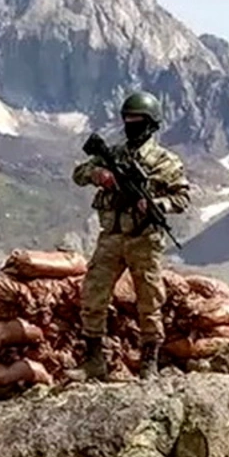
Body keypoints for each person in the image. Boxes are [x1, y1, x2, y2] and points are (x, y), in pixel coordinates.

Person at [70, 91, 190, 381]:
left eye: (137, 119)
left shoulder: (165, 162)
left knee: (149, 300)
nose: (131, 124)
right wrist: (99, 175)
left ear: (151, 124)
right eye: (127, 119)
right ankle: (93, 361)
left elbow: (182, 197)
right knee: (92, 293)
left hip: (144, 239)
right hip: (111, 236)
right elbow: (79, 173)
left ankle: (148, 363)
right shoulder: (115, 154)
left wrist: (156, 204)